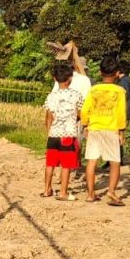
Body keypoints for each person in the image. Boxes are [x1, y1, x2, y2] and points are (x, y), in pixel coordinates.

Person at [81, 58, 127, 206]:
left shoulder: (94, 89)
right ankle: (111, 191)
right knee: (114, 162)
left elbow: (85, 109)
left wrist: (85, 125)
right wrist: (121, 131)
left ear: (100, 72)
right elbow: (121, 113)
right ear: (117, 74)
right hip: (111, 129)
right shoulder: (120, 91)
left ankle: (90, 194)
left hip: (94, 127)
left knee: (92, 161)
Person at [43, 62, 84, 201]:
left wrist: (49, 132)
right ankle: (63, 193)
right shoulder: (76, 95)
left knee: (50, 164)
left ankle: (47, 189)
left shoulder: (51, 96)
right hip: (68, 135)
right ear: (70, 78)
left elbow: (48, 117)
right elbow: (80, 114)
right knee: (66, 166)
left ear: (55, 78)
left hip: (53, 135)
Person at [115, 61, 130, 170]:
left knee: (117, 135)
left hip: (122, 111)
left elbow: (123, 96)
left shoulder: (123, 81)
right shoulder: (128, 80)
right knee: (119, 135)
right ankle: (118, 158)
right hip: (126, 111)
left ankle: (117, 159)